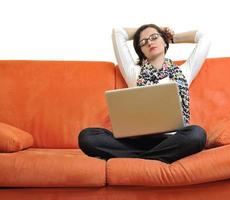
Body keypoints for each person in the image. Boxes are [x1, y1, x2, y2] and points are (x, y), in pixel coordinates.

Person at [78, 24, 211, 164]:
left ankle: (137, 159)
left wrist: (171, 37)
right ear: (141, 51)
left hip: (172, 140)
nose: (150, 42)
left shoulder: (184, 72)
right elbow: (118, 33)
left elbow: (204, 36)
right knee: (88, 137)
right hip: (136, 141)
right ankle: (153, 158)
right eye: (143, 42)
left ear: (165, 42)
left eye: (154, 37)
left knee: (197, 135)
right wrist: (153, 32)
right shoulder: (133, 73)